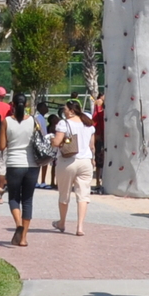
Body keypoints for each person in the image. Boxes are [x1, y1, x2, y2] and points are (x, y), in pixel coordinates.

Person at [52, 98, 95, 234]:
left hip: (68, 161)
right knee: (83, 195)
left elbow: (57, 142)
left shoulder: (64, 124)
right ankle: (80, 226)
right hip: (86, 161)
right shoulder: (89, 124)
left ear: (71, 111)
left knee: (64, 194)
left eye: (65, 109)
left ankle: (62, 222)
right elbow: (92, 146)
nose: (64, 111)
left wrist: (52, 139)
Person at [0, 97, 39, 245]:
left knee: (14, 197)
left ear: (13, 105)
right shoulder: (33, 121)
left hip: (14, 164)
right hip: (32, 165)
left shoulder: (7, 121)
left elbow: (1, 146)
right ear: (27, 104)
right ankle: (23, 239)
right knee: (28, 200)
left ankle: (18, 225)